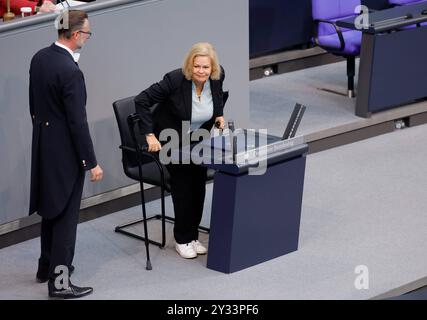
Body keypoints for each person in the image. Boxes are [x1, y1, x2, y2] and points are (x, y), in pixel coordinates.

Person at [29, 9, 103, 299]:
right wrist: (91, 162)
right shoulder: (71, 72)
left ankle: (45, 266)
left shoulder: (40, 58)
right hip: (66, 155)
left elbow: (34, 107)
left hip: (44, 146)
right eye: (87, 33)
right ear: (75, 35)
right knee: (65, 220)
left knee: (50, 210)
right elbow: (78, 122)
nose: (87, 38)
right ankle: (59, 284)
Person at [135, 42, 226, 259]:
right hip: (170, 140)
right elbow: (141, 101)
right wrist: (149, 135)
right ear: (190, 65)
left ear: (212, 68)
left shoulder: (217, 76)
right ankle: (182, 238)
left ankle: (193, 235)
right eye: (197, 67)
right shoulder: (175, 80)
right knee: (184, 186)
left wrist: (219, 114)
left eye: (205, 67)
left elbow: (218, 95)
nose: (201, 71)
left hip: (197, 139)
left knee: (199, 185)